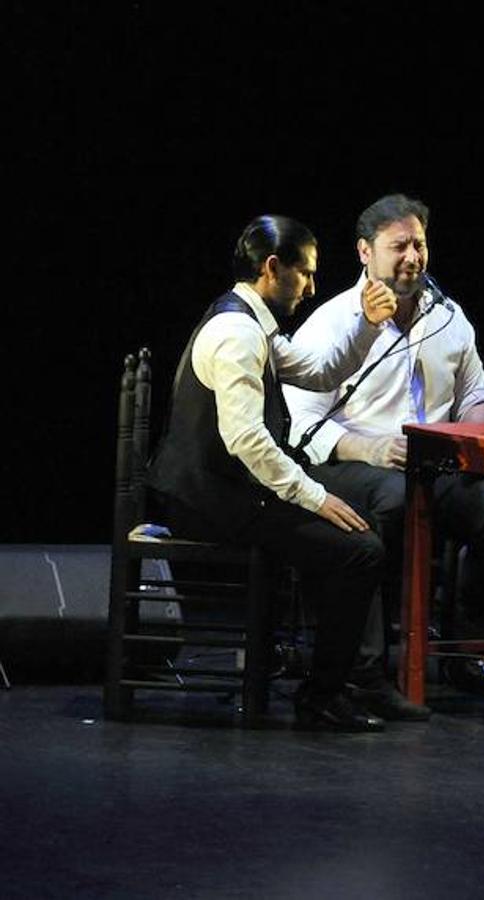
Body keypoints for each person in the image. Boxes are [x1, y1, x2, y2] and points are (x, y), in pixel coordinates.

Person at [148, 214, 398, 732]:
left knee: (356, 523)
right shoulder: (237, 332)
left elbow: (316, 370)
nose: (310, 287)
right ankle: (323, 694)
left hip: (232, 490)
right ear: (272, 268)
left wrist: (367, 326)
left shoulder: (253, 323)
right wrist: (312, 497)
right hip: (209, 501)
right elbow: (247, 441)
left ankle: (335, 678)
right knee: (360, 550)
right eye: (304, 273)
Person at [284, 194, 484, 719]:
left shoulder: (448, 317)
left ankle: (468, 654)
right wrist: (366, 446)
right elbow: (299, 421)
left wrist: (464, 440)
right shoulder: (332, 321)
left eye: (420, 244)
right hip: (351, 462)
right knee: (386, 503)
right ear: (365, 252)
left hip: (430, 464)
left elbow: (480, 394)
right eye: (399, 247)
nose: (412, 256)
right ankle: (366, 672)